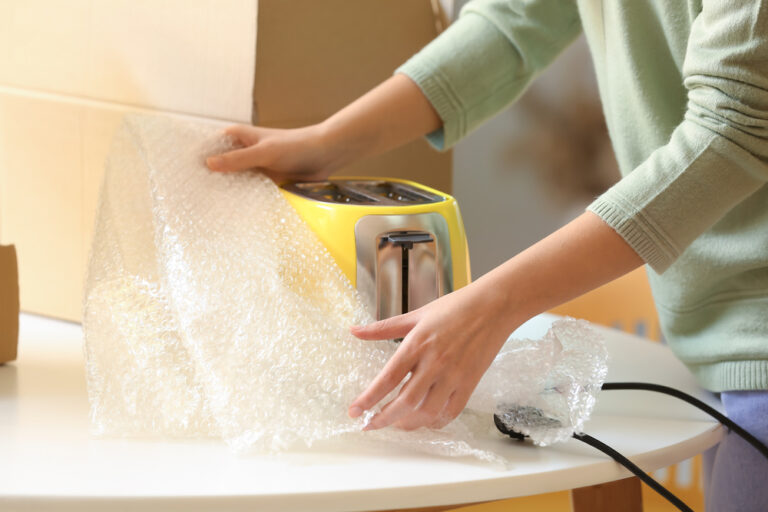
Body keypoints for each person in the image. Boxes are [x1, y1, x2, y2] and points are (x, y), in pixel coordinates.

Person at [206, 1, 768, 509]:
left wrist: (493, 306)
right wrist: (327, 143)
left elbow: (734, 130)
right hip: (716, 334)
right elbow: (512, 22)